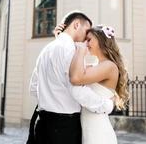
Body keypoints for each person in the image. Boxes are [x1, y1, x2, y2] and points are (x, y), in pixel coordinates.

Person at [28, 11, 115, 144]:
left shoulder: (47, 49)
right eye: (86, 31)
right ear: (76, 24)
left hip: (41, 123)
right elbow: (77, 90)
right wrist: (106, 105)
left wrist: (50, 99)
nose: (87, 37)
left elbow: (34, 88)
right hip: (63, 127)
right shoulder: (71, 50)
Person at [69, 25, 129, 144]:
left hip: (98, 132)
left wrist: (80, 50)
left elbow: (75, 78)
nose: (86, 43)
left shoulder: (109, 66)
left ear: (100, 40)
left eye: (89, 39)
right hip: (90, 129)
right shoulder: (99, 65)